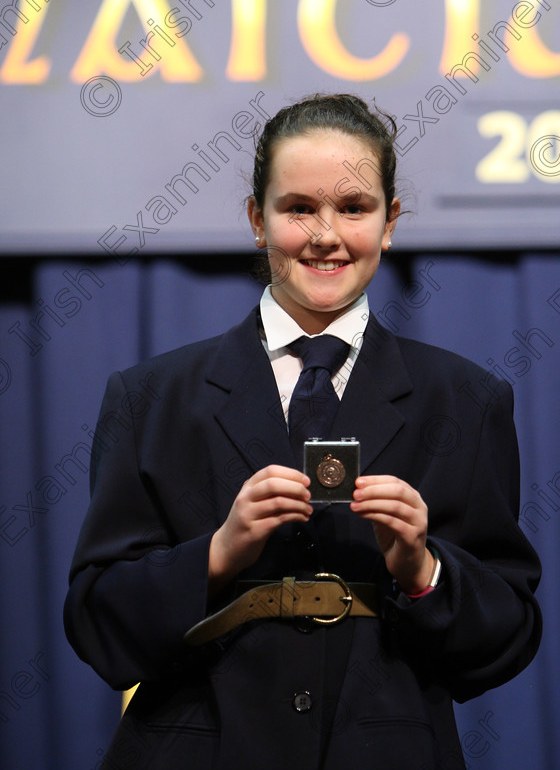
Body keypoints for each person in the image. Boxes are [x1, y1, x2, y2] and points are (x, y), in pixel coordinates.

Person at [64, 93, 542, 770]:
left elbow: (509, 638)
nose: (326, 234)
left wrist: (423, 570)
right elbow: (96, 624)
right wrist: (219, 553)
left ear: (390, 222)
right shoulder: (151, 397)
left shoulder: (466, 400)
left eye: (354, 208)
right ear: (258, 220)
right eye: (298, 208)